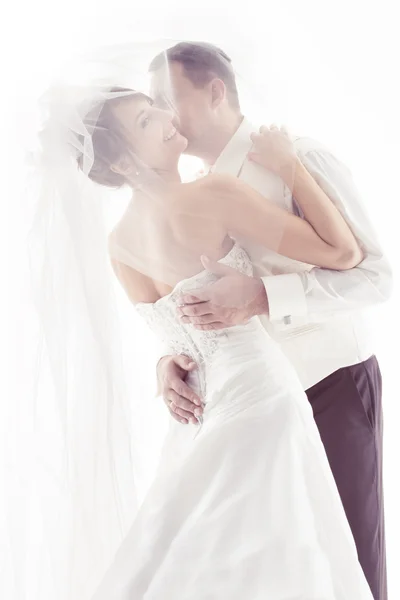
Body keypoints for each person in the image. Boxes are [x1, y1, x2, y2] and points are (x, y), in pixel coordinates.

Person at [60, 81, 375, 598]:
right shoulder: (211, 195)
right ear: (119, 165)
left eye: (157, 106)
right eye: (145, 121)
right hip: (261, 395)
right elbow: (341, 253)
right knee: (280, 555)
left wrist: (167, 366)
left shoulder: (118, 247)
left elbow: (176, 338)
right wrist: (290, 164)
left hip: (199, 416)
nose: (166, 117)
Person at [149, 42, 392, 600]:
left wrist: (265, 296)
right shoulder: (187, 194)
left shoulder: (298, 158)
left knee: (349, 562)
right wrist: (169, 360)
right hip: (249, 407)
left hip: (329, 383)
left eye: (170, 98)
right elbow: (182, 297)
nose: (163, 115)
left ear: (215, 92)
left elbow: (376, 277)